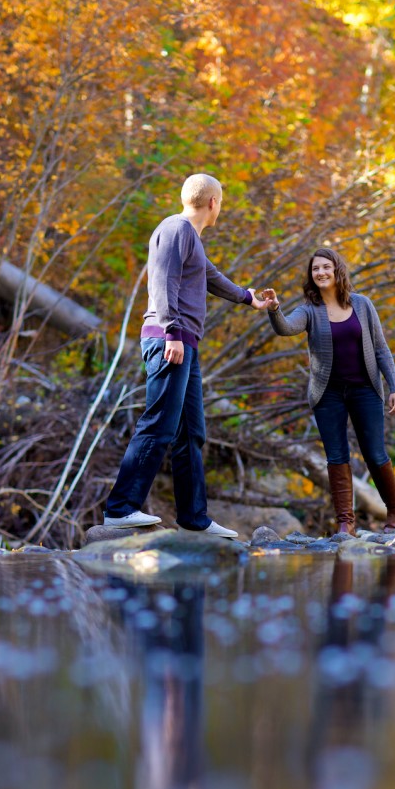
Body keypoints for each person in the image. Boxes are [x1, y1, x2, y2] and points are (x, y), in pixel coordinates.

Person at [104, 173, 274, 537]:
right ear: (213, 202)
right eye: (221, 202)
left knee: (191, 432)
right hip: (169, 339)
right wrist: (172, 331)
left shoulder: (191, 239)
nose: (220, 209)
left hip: (185, 343)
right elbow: (161, 281)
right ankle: (120, 509)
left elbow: (211, 277)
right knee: (160, 424)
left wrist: (250, 298)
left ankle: (194, 518)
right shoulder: (175, 229)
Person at [261, 247, 395, 535]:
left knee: (375, 454)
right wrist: (274, 309)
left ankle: (394, 512)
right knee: (337, 456)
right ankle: (345, 523)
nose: (321, 272)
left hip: (365, 389)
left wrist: (394, 387)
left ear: (338, 270)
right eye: (316, 269)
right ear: (311, 277)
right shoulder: (309, 311)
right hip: (327, 393)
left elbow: (381, 349)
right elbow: (286, 329)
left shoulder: (362, 305)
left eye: (326, 267)